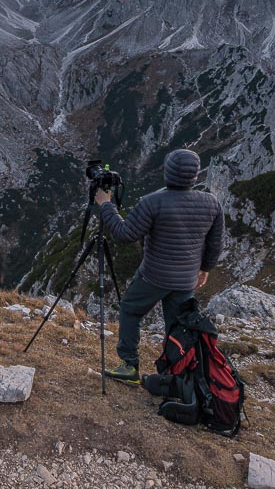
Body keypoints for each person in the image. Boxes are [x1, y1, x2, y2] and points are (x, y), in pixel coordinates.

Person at [94, 148, 224, 385]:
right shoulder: (211, 203)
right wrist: (205, 268)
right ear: (194, 175)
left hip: (153, 276)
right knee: (177, 326)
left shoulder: (152, 202)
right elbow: (215, 243)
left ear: (168, 171)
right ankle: (174, 372)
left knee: (131, 309)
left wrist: (106, 206)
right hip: (186, 280)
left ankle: (129, 366)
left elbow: (125, 234)